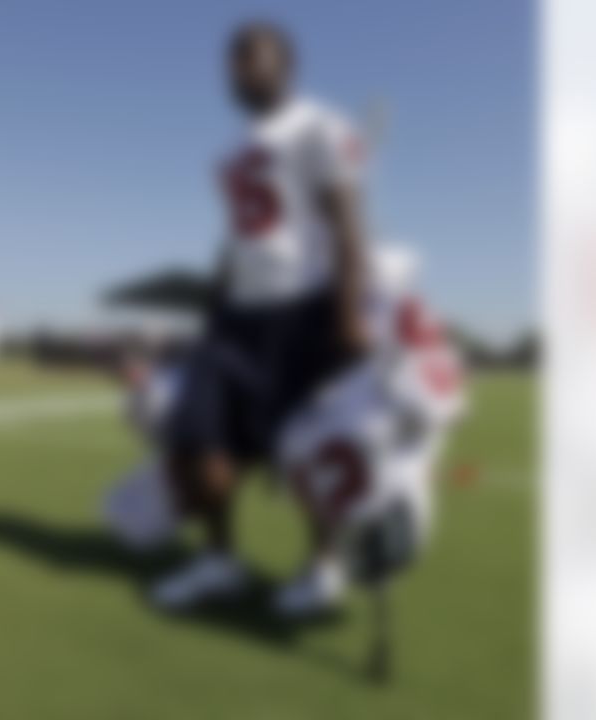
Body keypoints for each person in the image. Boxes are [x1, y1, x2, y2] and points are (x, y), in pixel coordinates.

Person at [150, 20, 372, 612]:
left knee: (304, 446)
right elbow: (239, 239)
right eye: (233, 61)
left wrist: (350, 317)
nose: (239, 71)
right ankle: (220, 559)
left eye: (253, 59)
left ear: (286, 66)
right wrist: (213, 304)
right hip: (236, 317)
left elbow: (348, 227)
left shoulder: (321, 126)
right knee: (201, 437)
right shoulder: (229, 151)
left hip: (301, 310)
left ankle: (324, 568)